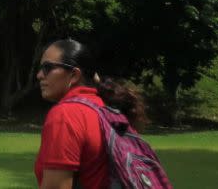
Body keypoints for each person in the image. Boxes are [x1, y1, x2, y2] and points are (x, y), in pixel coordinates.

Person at [34, 38, 148, 189]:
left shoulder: (66, 115)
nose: (39, 75)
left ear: (74, 75)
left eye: (47, 68)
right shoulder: (106, 108)